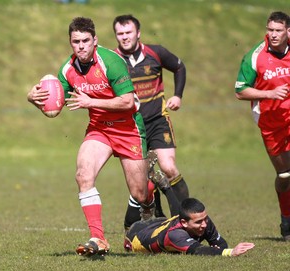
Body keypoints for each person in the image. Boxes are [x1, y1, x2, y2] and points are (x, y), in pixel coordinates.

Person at [27, 17, 155, 257]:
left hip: (128, 129)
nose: (81, 46)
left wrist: (90, 101)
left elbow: (128, 102)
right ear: (70, 43)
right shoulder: (67, 69)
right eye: (76, 41)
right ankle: (99, 238)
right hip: (99, 129)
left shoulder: (111, 62)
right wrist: (32, 98)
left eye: (86, 40)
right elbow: (54, 109)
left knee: (139, 194)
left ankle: (151, 193)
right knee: (83, 175)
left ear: (95, 41)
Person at [112, 14, 190, 238]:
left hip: (157, 120)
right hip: (131, 126)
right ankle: (158, 217)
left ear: (138, 33)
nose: (124, 37)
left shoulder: (156, 53)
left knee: (168, 167)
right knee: (144, 177)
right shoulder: (112, 60)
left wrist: (178, 96)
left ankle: (190, 215)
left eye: (128, 33)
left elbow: (179, 67)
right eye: (120, 33)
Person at [235, 11, 290, 241]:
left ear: (288, 31)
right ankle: (286, 219)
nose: (273, 34)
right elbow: (240, 91)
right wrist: (270, 93)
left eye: (278, 30)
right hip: (271, 125)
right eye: (270, 30)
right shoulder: (255, 56)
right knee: (286, 175)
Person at [126, 197, 255, 256]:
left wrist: (218, 250)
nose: (204, 224)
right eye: (199, 222)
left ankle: (162, 192)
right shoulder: (175, 234)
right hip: (137, 236)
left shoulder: (204, 221)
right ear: (184, 223)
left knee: (164, 221)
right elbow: (198, 250)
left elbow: (220, 243)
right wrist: (230, 252)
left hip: (161, 224)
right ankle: (158, 191)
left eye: (205, 219)